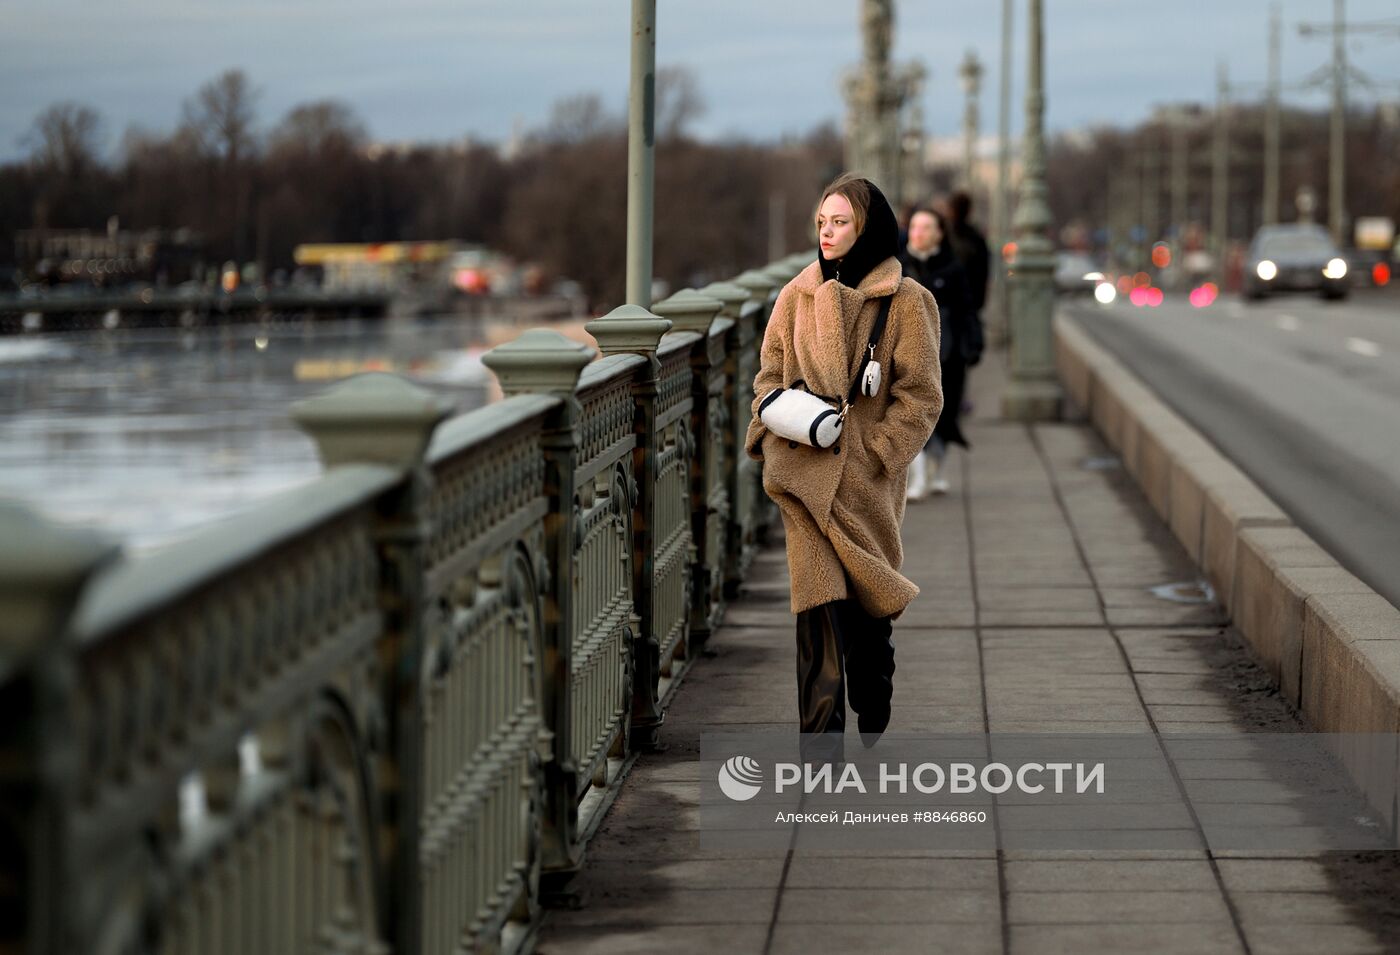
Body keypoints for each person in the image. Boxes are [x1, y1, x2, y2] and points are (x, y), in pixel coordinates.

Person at [745, 173, 943, 762]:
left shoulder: (907, 300)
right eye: (822, 223)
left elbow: (923, 395)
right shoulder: (795, 295)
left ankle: (874, 693)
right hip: (803, 475)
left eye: (841, 223)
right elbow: (767, 378)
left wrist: (878, 453)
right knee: (817, 608)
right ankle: (821, 744)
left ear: (868, 227)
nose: (828, 234)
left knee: (865, 615)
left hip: (866, 483)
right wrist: (774, 424)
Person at [898, 207, 975, 499]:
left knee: (943, 414)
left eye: (926, 227)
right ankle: (917, 478)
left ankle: (937, 469)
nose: (919, 232)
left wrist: (972, 344)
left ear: (939, 233)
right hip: (907, 353)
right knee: (910, 413)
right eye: (915, 226)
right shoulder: (899, 266)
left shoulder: (953, 268)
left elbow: (965, 309)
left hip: (947, 354)